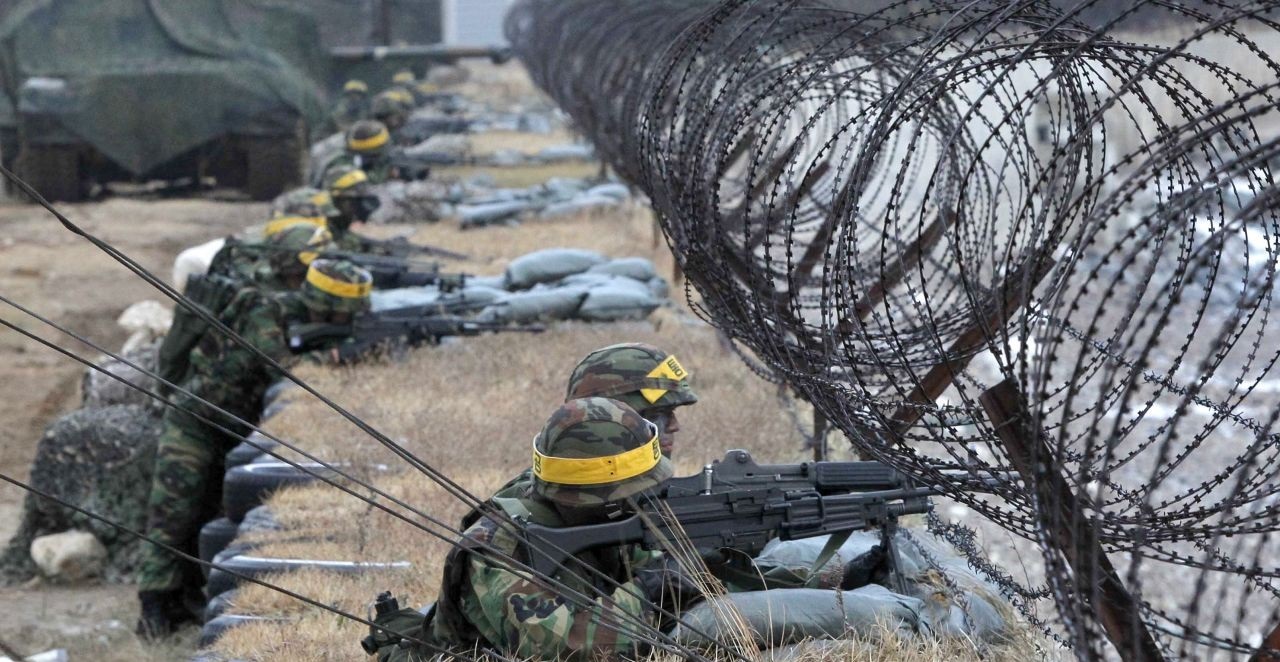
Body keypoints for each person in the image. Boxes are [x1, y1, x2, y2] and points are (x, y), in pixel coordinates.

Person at [136, 259, 373, 638]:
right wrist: (332, 357)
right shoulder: (266, 311)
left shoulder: (293, 317)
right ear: (326, 305)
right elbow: (279, 366)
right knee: (173, 516)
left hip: (227, 428)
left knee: (203, 512)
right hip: (194, 423)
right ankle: (152, 611)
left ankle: (182, 599)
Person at [370, 398, 701, 661]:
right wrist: (650, 592)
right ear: (597, 495)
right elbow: (557, 649)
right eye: (635, 488)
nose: (645, 496)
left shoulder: (603, 517)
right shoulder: (497, 548)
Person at [458, 343, 698, 531]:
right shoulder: (535, 510)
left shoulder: (631, 489)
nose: (674, 427)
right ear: (609, 417)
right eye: (659, 416)